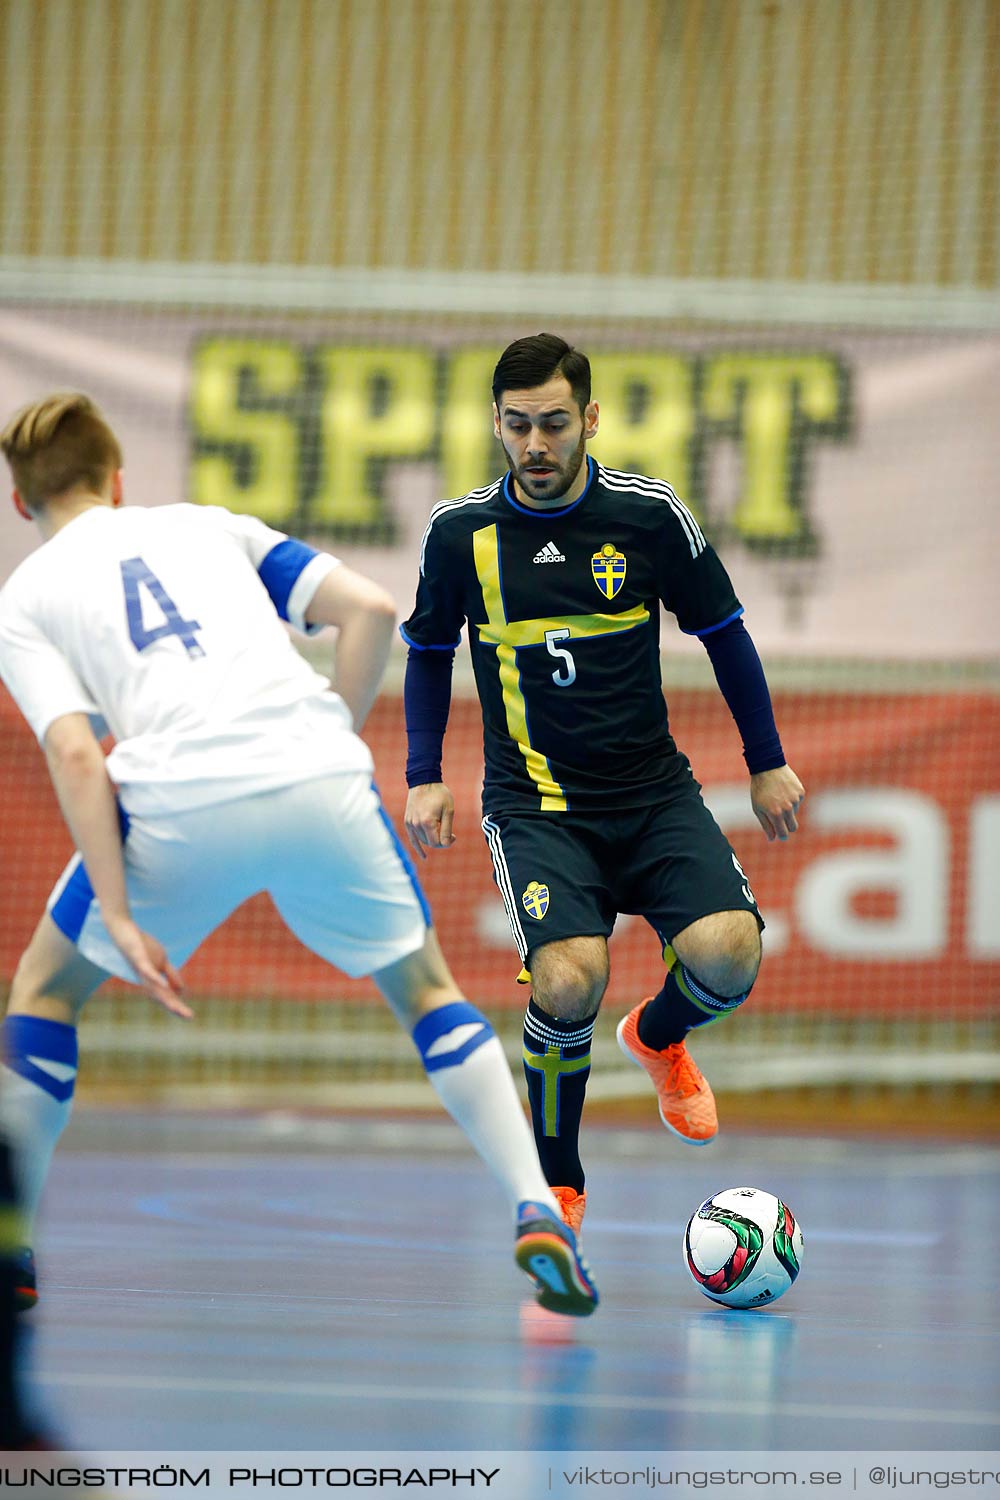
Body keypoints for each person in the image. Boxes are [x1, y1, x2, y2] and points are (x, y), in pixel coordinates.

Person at [0, 391, 598, 1320]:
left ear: (19, 504)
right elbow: (369, 608)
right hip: (319, 774)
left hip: (176, 804)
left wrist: (117, 914)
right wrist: (329, 740)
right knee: (428, 991)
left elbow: (77, 753)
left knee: (44, 992)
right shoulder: (205, 526)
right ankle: (535, 1202)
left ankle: (12, 1249)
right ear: (118, 481)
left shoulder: (25, 597)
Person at [402, 333, 805, 1234]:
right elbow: (428, 653)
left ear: (589, 418)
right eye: (517, 425)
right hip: (537, 806)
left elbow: (727, 633)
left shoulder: (649, 516)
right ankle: (559, 1189)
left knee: (730, 954)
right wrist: (423, 774)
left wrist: (766, 760)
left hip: (652, 794)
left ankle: (658, 1037)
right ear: (496, 425)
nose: (535, 444)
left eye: (553, 423)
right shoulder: (462, 534)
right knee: (571, 977)